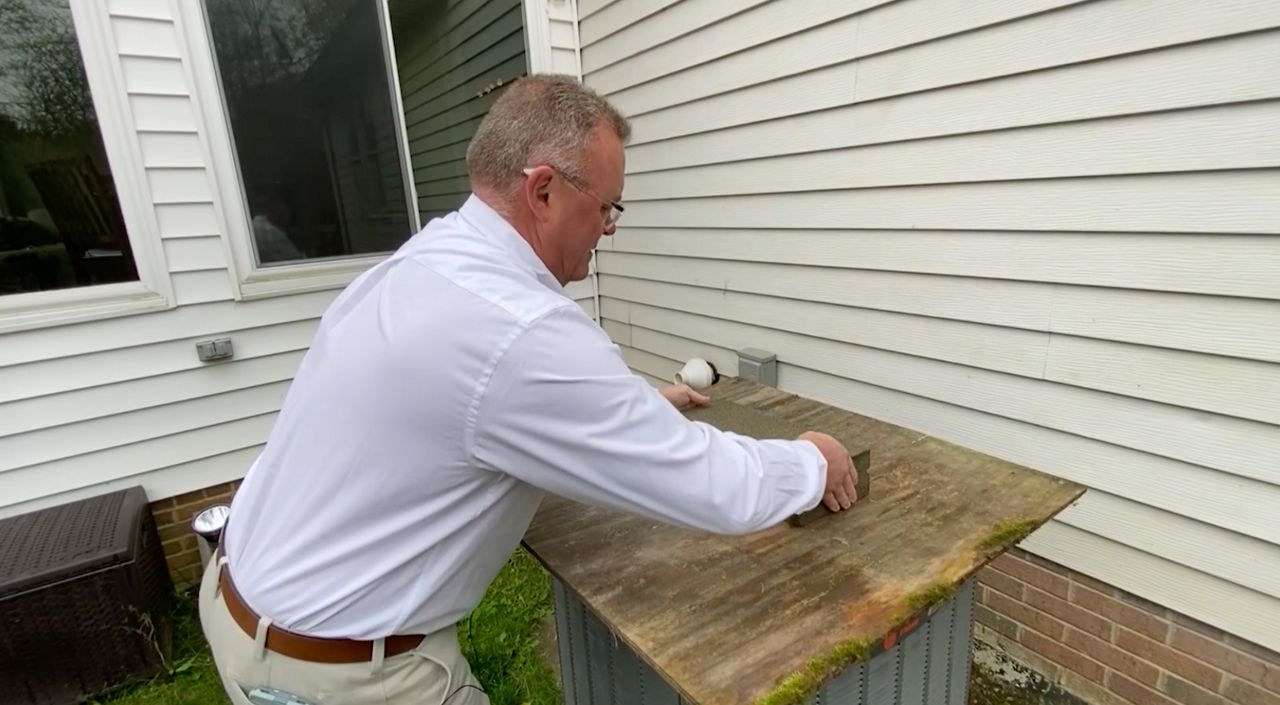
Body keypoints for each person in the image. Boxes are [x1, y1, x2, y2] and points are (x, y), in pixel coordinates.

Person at [199, 74, 860, 705]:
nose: (610, 228)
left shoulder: (426, 261)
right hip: (336, 672)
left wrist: (636, 409)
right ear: (543, 190)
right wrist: (812, 459)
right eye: (606, 206)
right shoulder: (520, 329)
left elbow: (470, 407)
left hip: (245, 591)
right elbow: (709, 484)